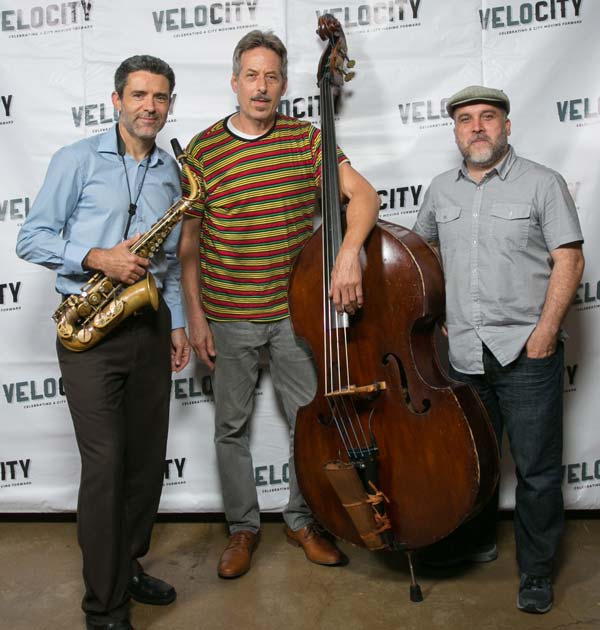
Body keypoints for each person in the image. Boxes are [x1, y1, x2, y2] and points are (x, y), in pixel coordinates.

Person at [178, 30, 380, 579]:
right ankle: (242, 529)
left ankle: (301, 520)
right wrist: (194, 315)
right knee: (230, 428)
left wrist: (347, 254)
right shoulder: (202, 150)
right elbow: (188, 244)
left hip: (295, 314)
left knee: (310, 421)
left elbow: (364, 195)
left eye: (271, 77)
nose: (261, 87)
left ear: (285, 85)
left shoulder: (305, 140)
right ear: (234, 82)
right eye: (251, 75)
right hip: (228, 313)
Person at [16, 55, 190, 630]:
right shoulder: (77, 159)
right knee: (106, 463)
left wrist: (176, 323)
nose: (149, 106)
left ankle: (126, 563)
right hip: (90, 331)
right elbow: (31, 237)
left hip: (147, 324)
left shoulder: (170, 173)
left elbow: (168, 261)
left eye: (159, 97)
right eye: (138, 95)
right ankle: (105, 605)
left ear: (169, 104)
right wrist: (97, 257)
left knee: (145, 464)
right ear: (116, 100)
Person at [413, 85, 584, 614]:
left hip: (526, 351)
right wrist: (439, 312)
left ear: (506, 126)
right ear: (455, 131)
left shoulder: (542, 183)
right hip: (464, 352)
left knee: (536, 470)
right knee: (475, 461)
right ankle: (475, 541)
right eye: (466, 119)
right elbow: (421, 252)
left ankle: (536, 570)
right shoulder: (440, 190)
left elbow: (569, 259)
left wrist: (545, 332)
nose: (477, 127)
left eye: (488, 117)